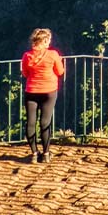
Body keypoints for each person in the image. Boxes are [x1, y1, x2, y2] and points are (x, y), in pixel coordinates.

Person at [21, 29, 65, 164]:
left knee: (30, 123)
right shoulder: (53, 54)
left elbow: (25, 73)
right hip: (49, 91)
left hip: (31, 91)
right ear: (45, 41)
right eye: (49, 40)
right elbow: (60, 71)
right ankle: (46, 153)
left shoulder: (27, 56)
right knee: (45, 122)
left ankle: (34, 153)